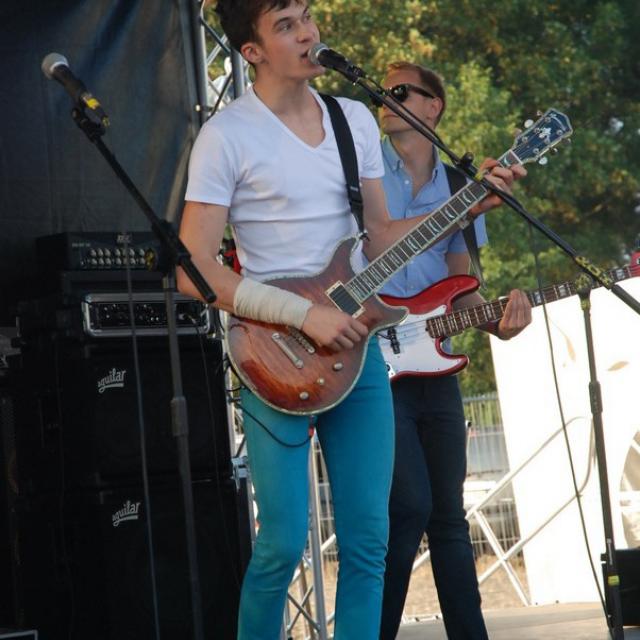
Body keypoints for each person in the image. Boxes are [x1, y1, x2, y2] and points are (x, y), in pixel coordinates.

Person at [177, 2, 523, 638]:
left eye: (306, 16)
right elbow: (192, 269)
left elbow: (382, 234)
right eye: (286, 25)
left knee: (370, 541)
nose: (308, 32)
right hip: (272, 352)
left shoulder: (353, 118)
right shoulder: (226, 136)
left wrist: (471, 202)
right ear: (251, 52)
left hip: (358, 348)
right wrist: (301, 313)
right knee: (281, 543)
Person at [376, 61, 532, 640]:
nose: (384, 98)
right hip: (374, 361)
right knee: (408, 508)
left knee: (447, 516)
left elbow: (461, 286)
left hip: (435, 367)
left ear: (433, 105)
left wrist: (499, 318)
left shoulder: (463, 184)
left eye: (399, 90)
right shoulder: (365, 172)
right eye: (382, 92)